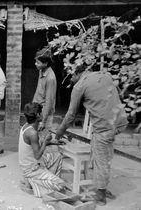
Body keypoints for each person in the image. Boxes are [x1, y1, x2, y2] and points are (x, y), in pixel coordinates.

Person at [55, 65, 128, 205]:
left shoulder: (79, 86)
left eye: (71, 76)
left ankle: (100, 195)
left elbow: (70, 115)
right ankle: (102, 187)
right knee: (103, 154)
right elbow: (119, 92)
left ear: (77, 73)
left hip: (105, 128)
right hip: (121, 121)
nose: (72, 80)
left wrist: (58, 133)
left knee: (101, 158)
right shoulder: (104, 74)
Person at [18, 102, 66, 197]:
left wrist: (52, 142)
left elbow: (33, 146)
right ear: (38, 115)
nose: (44, 115)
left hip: (30, 164)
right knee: (61, 185)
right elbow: (37, 155)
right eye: (41, 112)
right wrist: (45, 142)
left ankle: (42, 179)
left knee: (58, 156)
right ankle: (34, 183)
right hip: (31, 169)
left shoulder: (26, 126)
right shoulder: (32, 133)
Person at [33, 47, 57, 132]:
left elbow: (49, 101)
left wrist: (43, 121)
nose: (36, 64)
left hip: (44, 113)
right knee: (35, 138)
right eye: (36, 61)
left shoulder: (50, 78)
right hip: (37, 110)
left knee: (43, 140)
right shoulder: (41, 70)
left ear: (46, 63)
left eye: (38, 62)